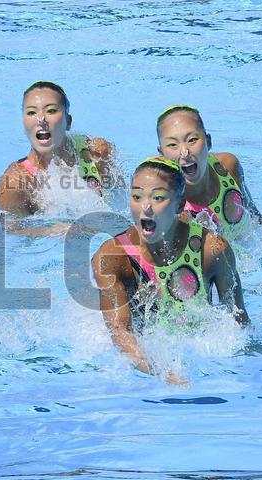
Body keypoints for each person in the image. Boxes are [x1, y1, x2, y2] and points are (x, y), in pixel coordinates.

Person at [92, 156, 249, 379]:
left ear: (179, 202)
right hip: (145, 364)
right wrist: (162, 372)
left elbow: (238, 322)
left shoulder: (212, 250)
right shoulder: (113, 258)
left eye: (158, 197)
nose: (145, 207)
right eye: (137, 196)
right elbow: (120, 332)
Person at [0, 81, 115, 216]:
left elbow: (118, 200)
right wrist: (54, 230)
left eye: (51, 110)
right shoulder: (16, 185)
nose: (41, 119)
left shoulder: (96, 151)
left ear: (68, 122)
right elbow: (7, 231)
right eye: (31, 112)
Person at [156, 105, 262, 239]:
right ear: (162, 155)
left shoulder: (228, 167)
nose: (184, 152)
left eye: (192, 140)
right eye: (172, 145)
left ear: (208, 141)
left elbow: (255, 217)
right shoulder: (170, 209)